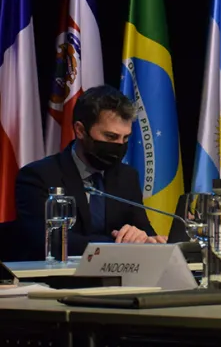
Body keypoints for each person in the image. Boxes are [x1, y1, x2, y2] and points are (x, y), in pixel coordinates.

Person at [13, 85, 164, 261]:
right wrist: (117, 244)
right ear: (80, 130)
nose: (119, 145)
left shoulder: (126, 176)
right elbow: (48, 241)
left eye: (126, 138)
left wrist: (146, 239)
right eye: (110, 137)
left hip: (116, 281)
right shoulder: (37, 176)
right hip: (56, 282)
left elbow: (144, 230)